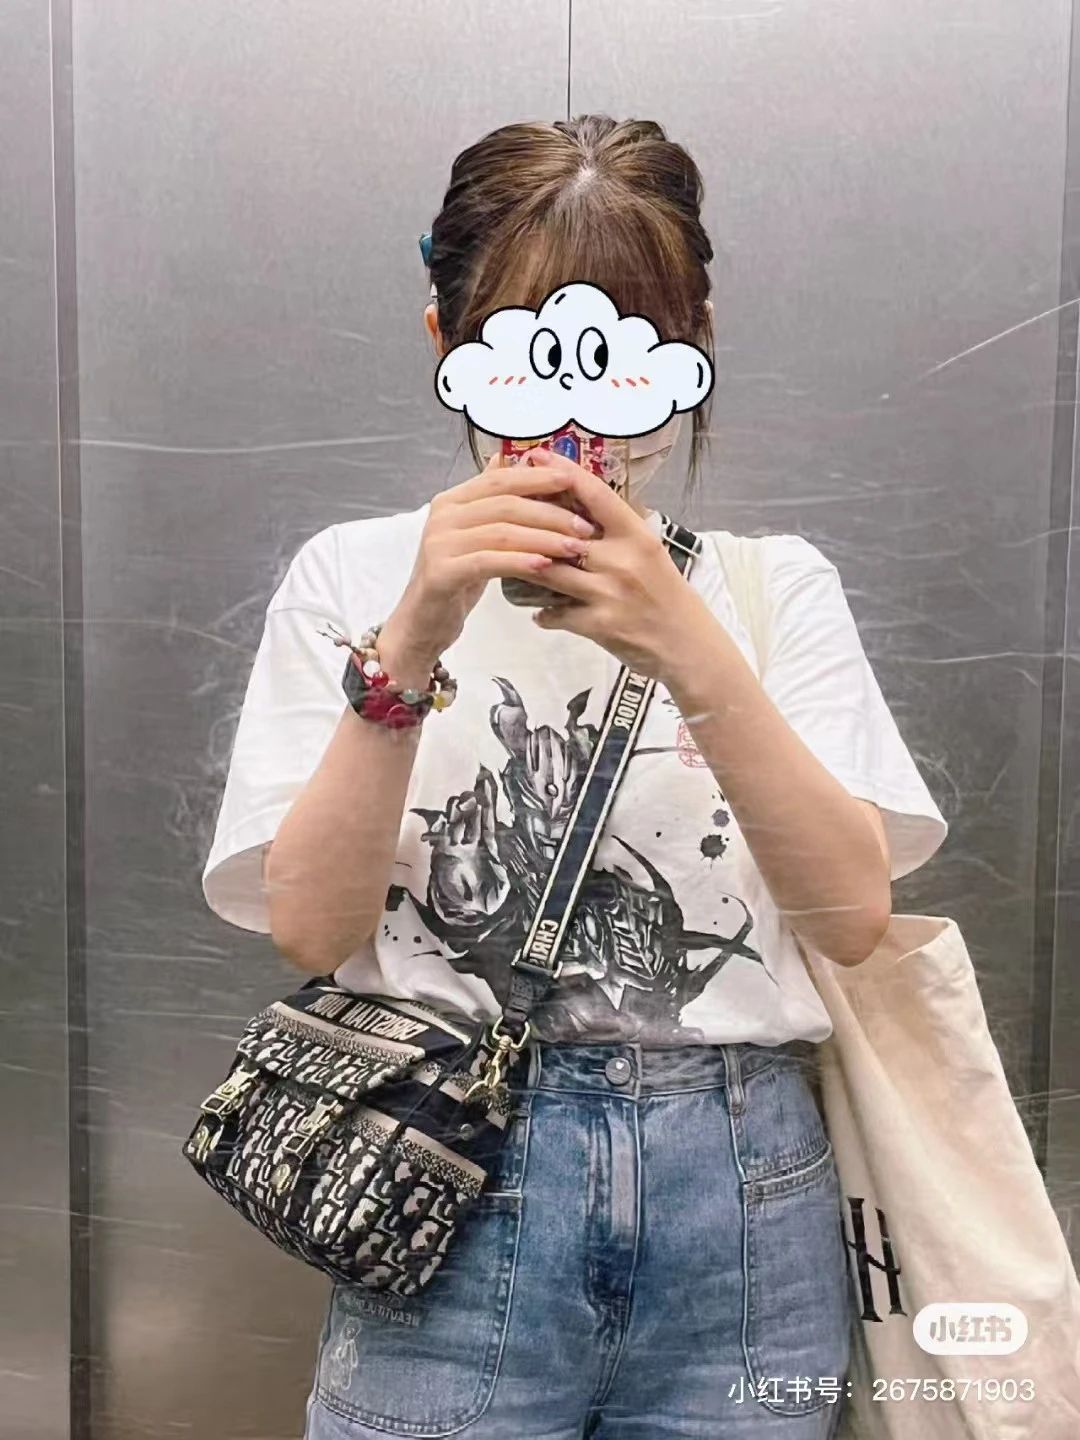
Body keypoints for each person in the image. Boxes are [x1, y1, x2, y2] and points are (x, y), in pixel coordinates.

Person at [201, 116, 949, 1440]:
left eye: (621, 345)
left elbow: (850, 919)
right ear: (446, 341)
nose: (570, 408)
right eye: (520, 343)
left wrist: (685, 641)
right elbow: (313, 930)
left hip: (744, 1197)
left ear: (689, 347)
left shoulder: (774, 590)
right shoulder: (352, 577)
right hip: (449, 1175)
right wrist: (414, 636)